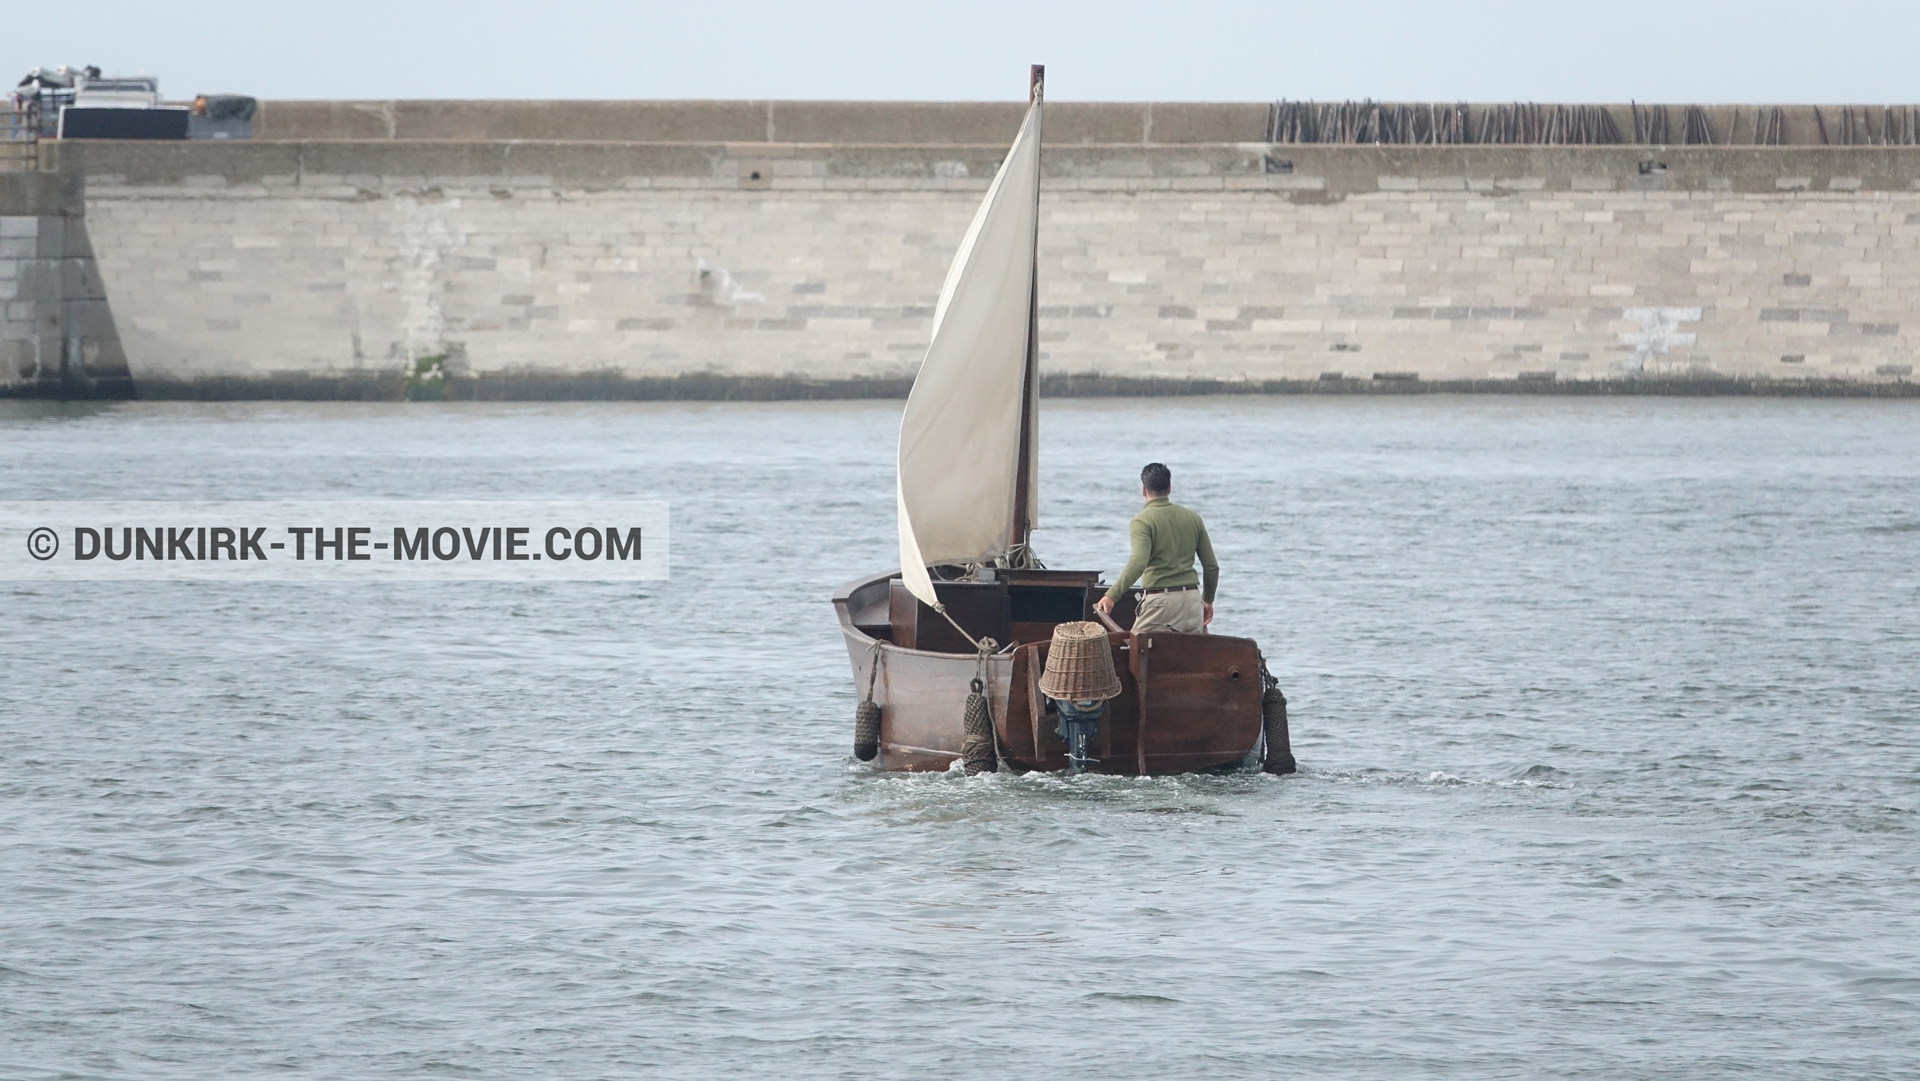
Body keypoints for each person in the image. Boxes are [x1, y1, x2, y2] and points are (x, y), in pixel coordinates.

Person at [1093, 462, 1218, 634]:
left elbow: (1138, 562)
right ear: (1169, 488)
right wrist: (1208, 600)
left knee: (1134, 652)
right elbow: (1211, 566)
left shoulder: (1142, 521)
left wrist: (1111, 596)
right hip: (1193, 601)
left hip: (1160, 603)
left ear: (1143, 490)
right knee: (1189, 658)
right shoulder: (1193, 517)